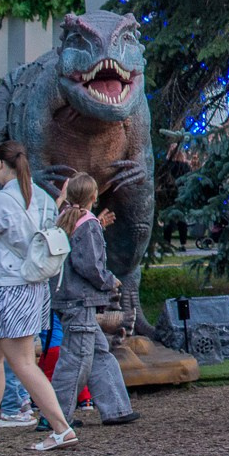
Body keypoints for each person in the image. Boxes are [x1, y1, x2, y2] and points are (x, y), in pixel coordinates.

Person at [0, 141, 78, 452]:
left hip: (8, 288)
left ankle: (61, 428)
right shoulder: (44, 199)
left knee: (21, 362)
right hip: (34, 287)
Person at [47, 173, 136, 429]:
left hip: (67, 299)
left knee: (98, 352)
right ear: (94, 196)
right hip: (81, 300)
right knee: (76, 359)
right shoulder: (88, 224)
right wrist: (109, 280)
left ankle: (116, 409)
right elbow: (89, 264)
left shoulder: (65, 219)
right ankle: (56, 417)